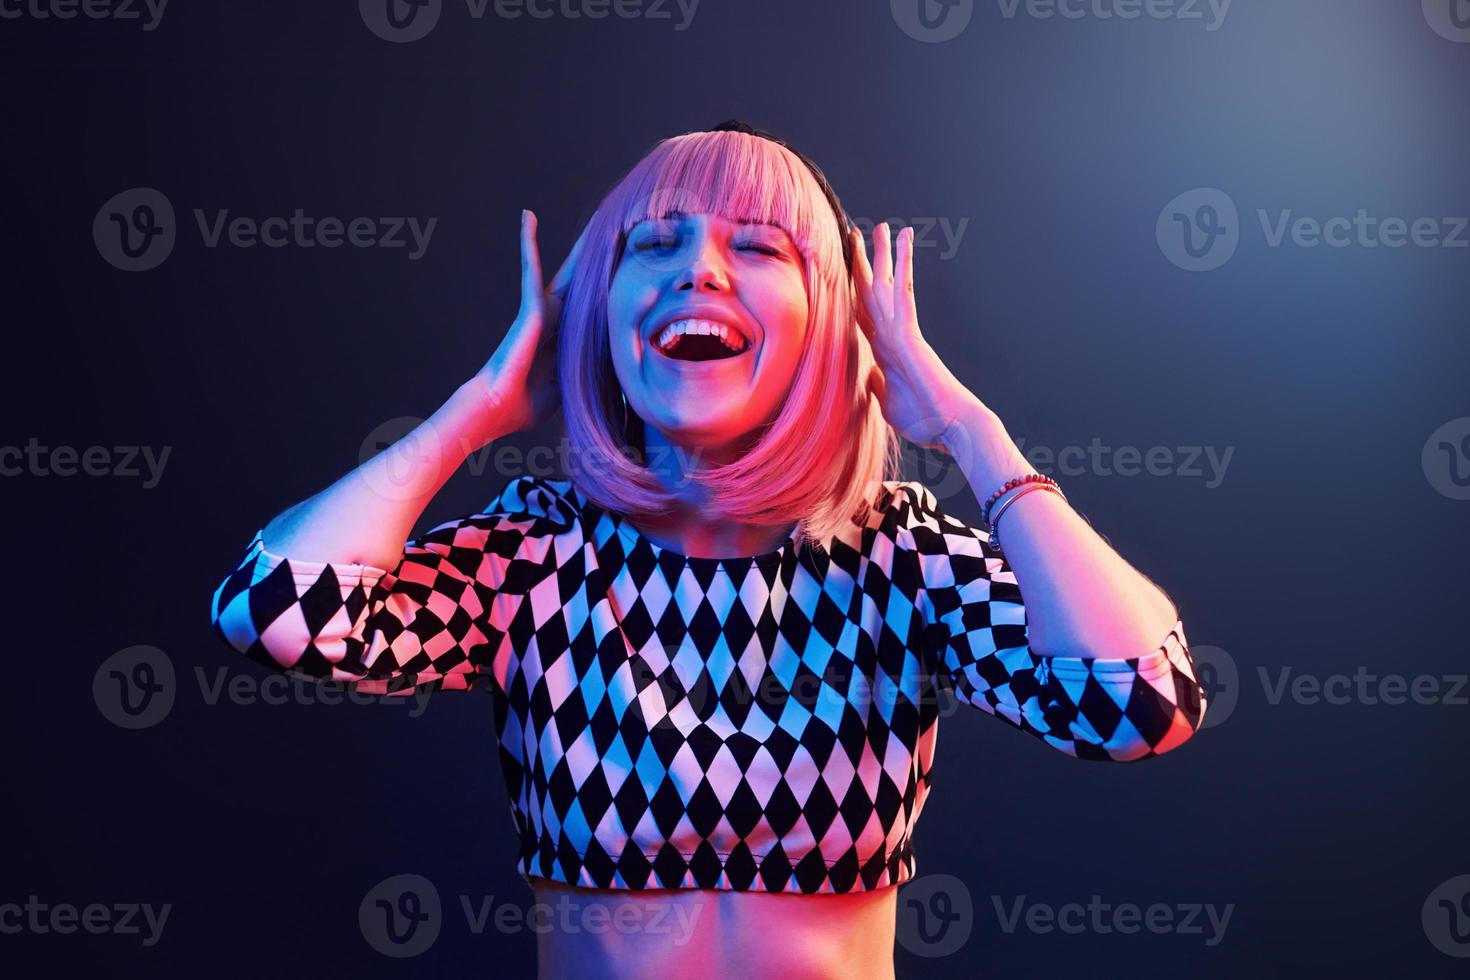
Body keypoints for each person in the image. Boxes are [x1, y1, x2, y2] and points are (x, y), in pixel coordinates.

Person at [210, 121, 1208, 979]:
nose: (698, 267)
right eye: (654, 242)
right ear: (598, 308)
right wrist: (476, 411)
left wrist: (968, 429)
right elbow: (275, 609)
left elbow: (1139, 703)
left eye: (762, 247)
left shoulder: (897, 553)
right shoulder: (537, 554)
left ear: (836, 318)